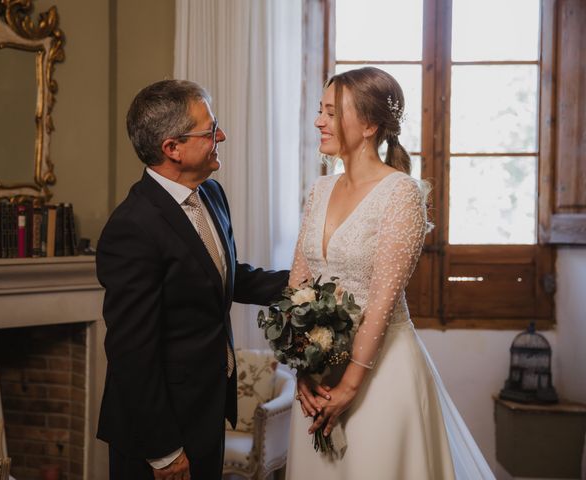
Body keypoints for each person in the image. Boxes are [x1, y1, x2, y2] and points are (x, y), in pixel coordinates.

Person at [286, 67, 495, 479]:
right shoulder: (320, 189)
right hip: (318, 374)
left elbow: (381, 302)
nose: (318, 121)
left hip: (379, 375)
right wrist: (302, 366)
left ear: (368, 125)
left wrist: (348, 387)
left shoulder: (401, 193)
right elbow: (298, 283)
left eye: (330, 112)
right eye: (319, 110)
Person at [96, 79, 289, 480]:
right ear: (172, 148)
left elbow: (225, 278)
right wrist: (164, 451)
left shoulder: (211, 194)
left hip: (206, 409)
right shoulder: (132, 227)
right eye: (210, 129)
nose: (222, 136)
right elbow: (132, 353)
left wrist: (302, 284)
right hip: (159, 432)